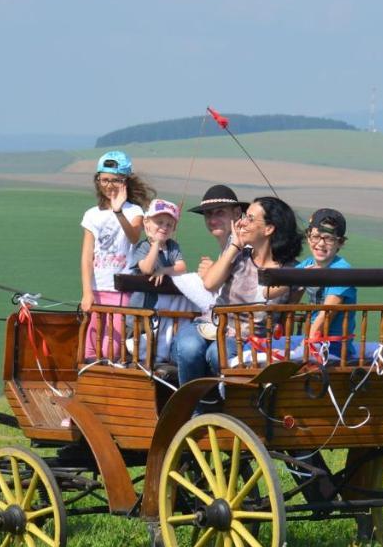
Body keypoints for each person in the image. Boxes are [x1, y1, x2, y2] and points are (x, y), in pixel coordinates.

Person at [172, 195, 304, 392]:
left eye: (250, 218)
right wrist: (234, 246)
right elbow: (209, 283)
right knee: (189, 347)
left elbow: (287, 312)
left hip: (250, 337)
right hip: (210, 325)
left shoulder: (290, 270)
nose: (241, 222)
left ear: (269, 228)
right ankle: (194, 409)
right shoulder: (238, 255)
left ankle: (227, 406)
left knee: (219, 354)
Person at [79, 151, 154, 359]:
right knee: (90, 349)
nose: (108, 185)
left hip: (122, 291)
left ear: (125, 181)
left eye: (115, 180)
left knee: (111, 350)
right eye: (104, 180)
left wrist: (118, 211)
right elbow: (86, 257)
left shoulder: (135, 211)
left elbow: (133, 236)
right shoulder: (91, 214)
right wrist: (87, 292)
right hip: (96, 290)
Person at [126, 198, 190, 361]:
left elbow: (182, 267)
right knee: (138, 348)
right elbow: (146, 268)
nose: (164, 227)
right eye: (159, 222)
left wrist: (164, 270)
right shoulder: (143, 247)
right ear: (147, 223)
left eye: (169, 224)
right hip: (140, 314)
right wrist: (155, 244)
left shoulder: (173, 247)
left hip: (161, 313)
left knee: (158, 347)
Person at [299, 208, 357, 360]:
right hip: (313, 338)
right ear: (308, 237)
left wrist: (308, 345)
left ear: (340, 242)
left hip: (333, 346)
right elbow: (276, 289)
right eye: (316, 236)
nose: (320, 243)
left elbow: (326, 314)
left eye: (329, 238)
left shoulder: (342, 270)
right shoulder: (308, 264)